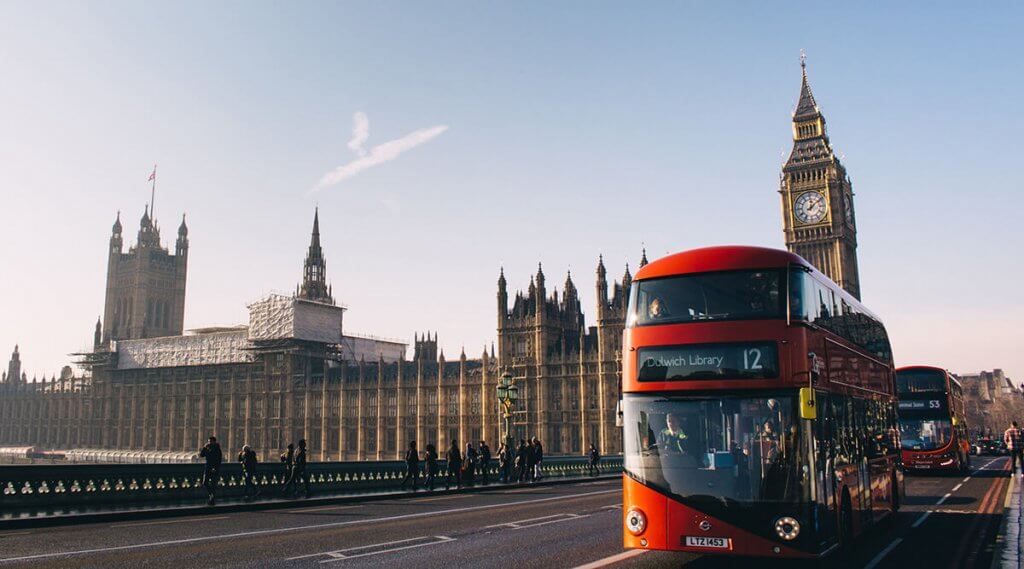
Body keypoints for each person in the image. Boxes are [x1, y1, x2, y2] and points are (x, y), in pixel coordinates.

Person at [199, 435, 222, 506]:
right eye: (208, 441)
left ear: (214, 442)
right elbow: (201, 455)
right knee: (204, 482)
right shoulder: (207, 448)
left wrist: (215, 468)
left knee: (213, 484)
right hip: (208, 467)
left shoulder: (217, 449)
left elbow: (218, 460)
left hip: (214, 468)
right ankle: (211, 495)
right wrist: (204, 448)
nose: (209, 443)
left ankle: (212, 498)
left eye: (210, 441)